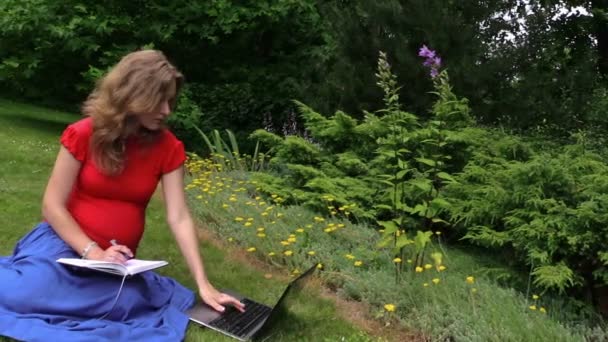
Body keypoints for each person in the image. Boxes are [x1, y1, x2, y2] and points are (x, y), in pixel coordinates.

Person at [0, 50, 245, 341]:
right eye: (159, 100)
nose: (167, 110)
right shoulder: (82, 134)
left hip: (115, 264)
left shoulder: (169, 148)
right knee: (26, 293)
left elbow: (178, 217)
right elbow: (52, 205)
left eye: (170, 101)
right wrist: (92, 251)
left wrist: (204, 284)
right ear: (132, 95)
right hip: (63, 247)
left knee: (126, 303)